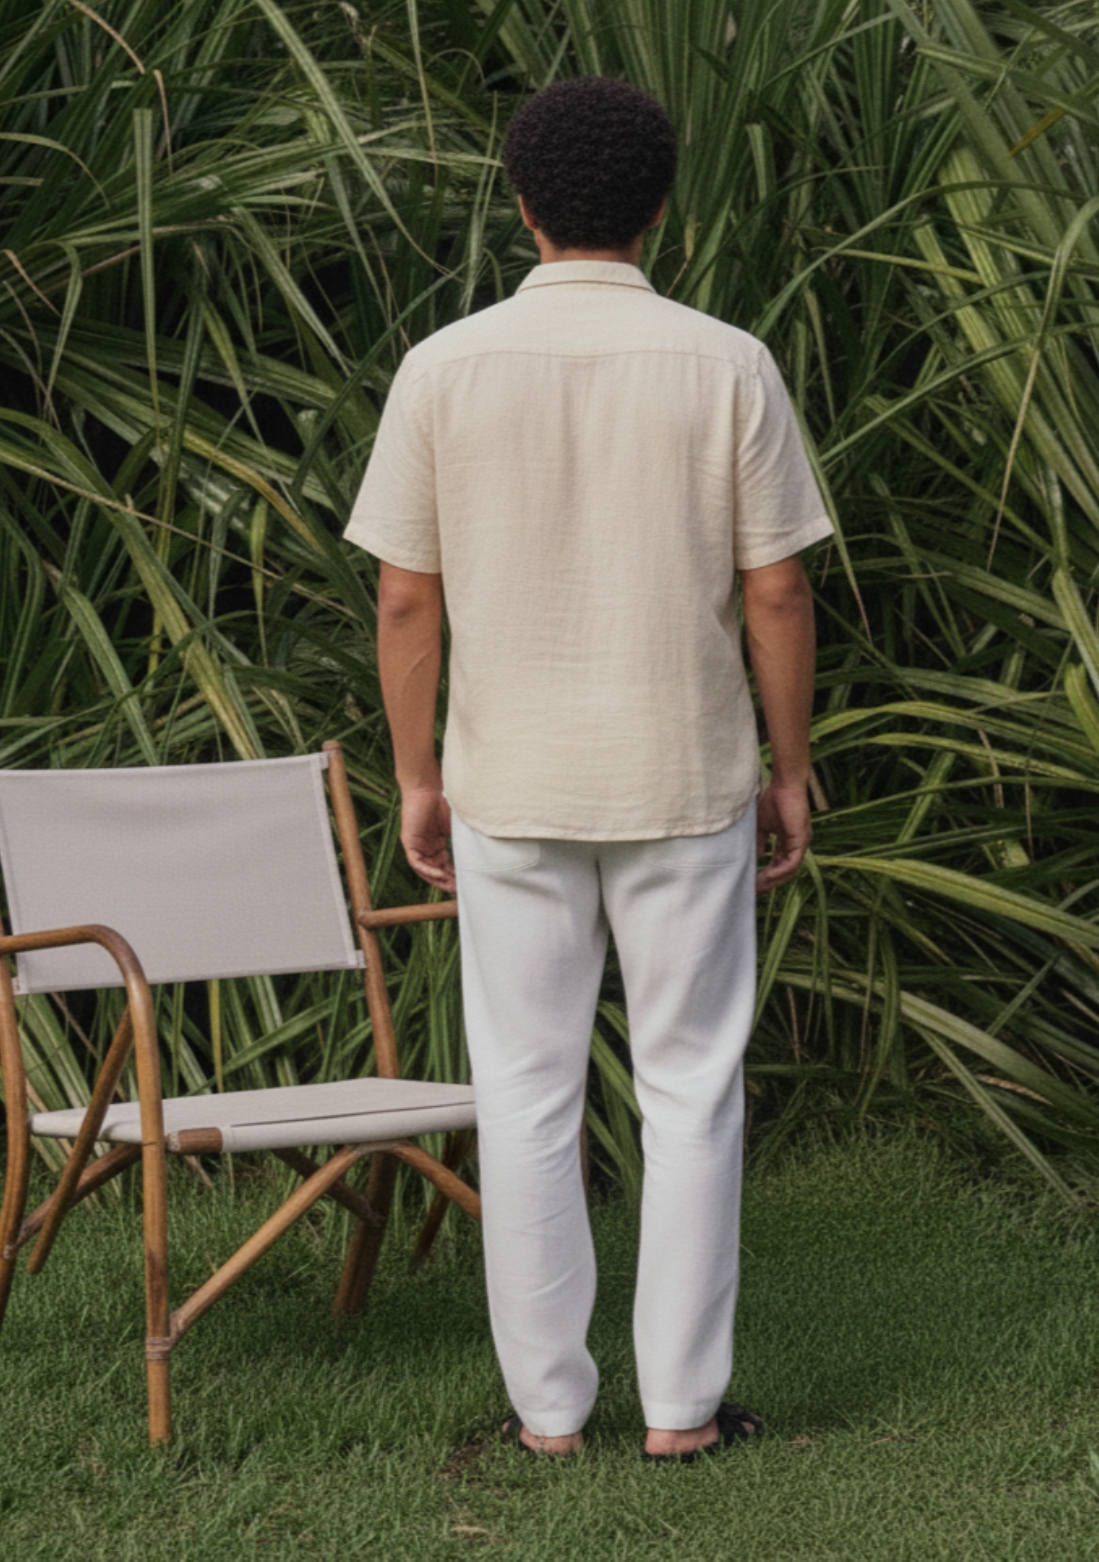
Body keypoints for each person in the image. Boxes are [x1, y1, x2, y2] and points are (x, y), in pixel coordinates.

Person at [344, 76, 833, 1461]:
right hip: (684, 777)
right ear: (660, 208)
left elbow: (404, 597)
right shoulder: (725, 363)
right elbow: (777, 589)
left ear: (521, 205)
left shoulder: (444, 367)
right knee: (691, 1090)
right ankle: (681, 1412)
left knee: (523, 1091)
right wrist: (789, 767)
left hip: (510, 785)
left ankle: (549, 1415)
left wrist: (416, 777)